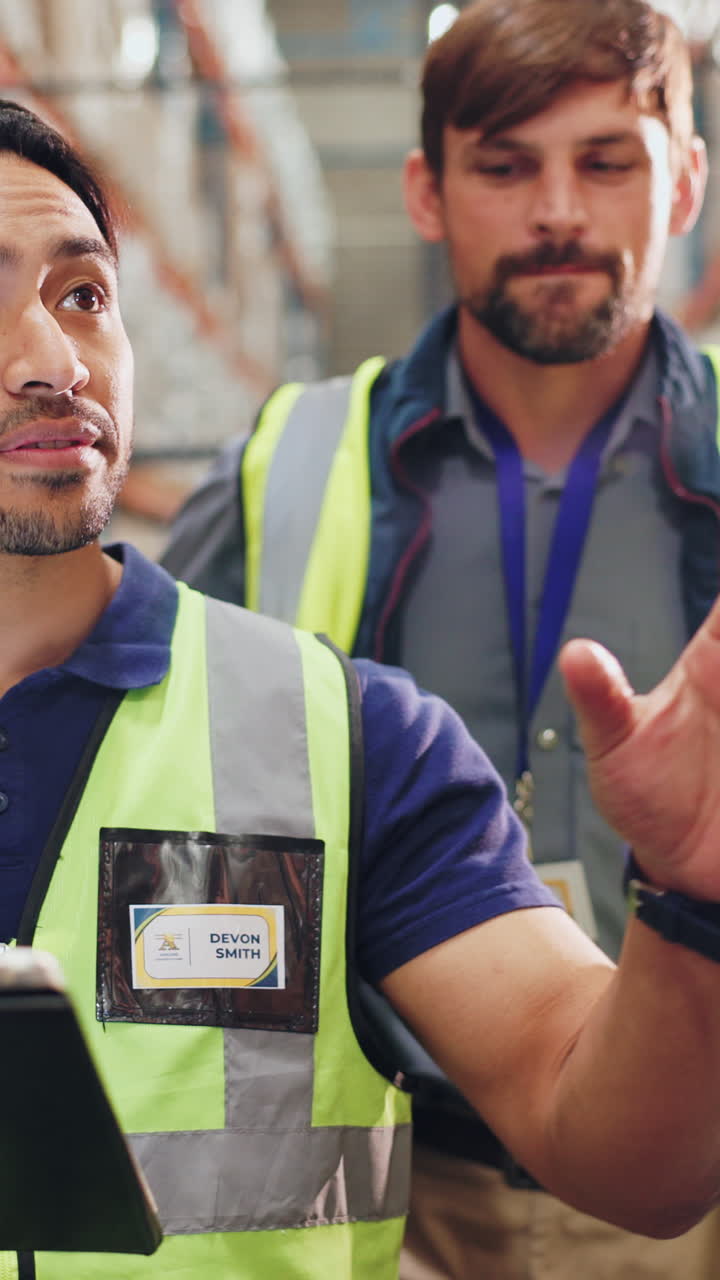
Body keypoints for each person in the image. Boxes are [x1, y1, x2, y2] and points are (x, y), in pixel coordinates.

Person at [2, 93, 720, 1280]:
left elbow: (631, 1160)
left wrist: (693, 903)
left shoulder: (352, 741)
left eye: (83, 295)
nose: (56, 361)